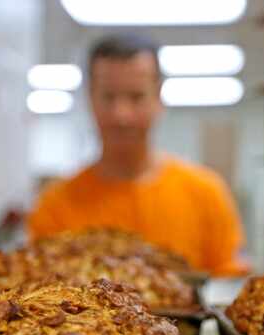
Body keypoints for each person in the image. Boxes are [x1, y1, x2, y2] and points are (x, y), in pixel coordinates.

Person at [28, 34, 248, 276]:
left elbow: (226, 285)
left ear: (158, 98)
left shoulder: (206, 194)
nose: (121, 115)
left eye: (136, 97)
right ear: (90, 98)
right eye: (108, 97)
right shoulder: (55, 206)